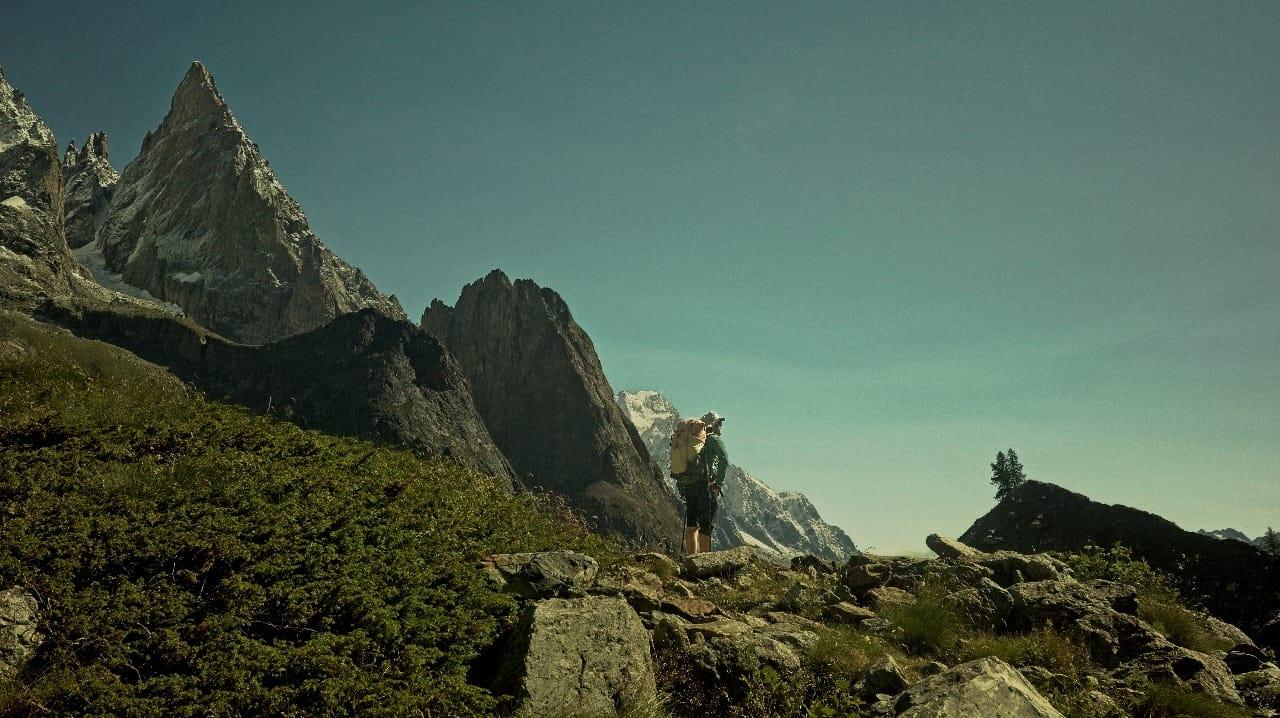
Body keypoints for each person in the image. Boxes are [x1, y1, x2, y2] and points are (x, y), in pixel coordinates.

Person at [683, 411, 729, 555]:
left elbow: (681, 466)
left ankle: (691, 559)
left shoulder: (691, 440)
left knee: (691, 524)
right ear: (713, 425)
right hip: (706, 487)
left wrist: (682, 488)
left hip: (689, 486)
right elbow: (724, 460)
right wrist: (718, 483)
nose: (721, 426)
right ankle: (705, 563)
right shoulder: (714, 439)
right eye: (719, 424)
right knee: (705, 525)